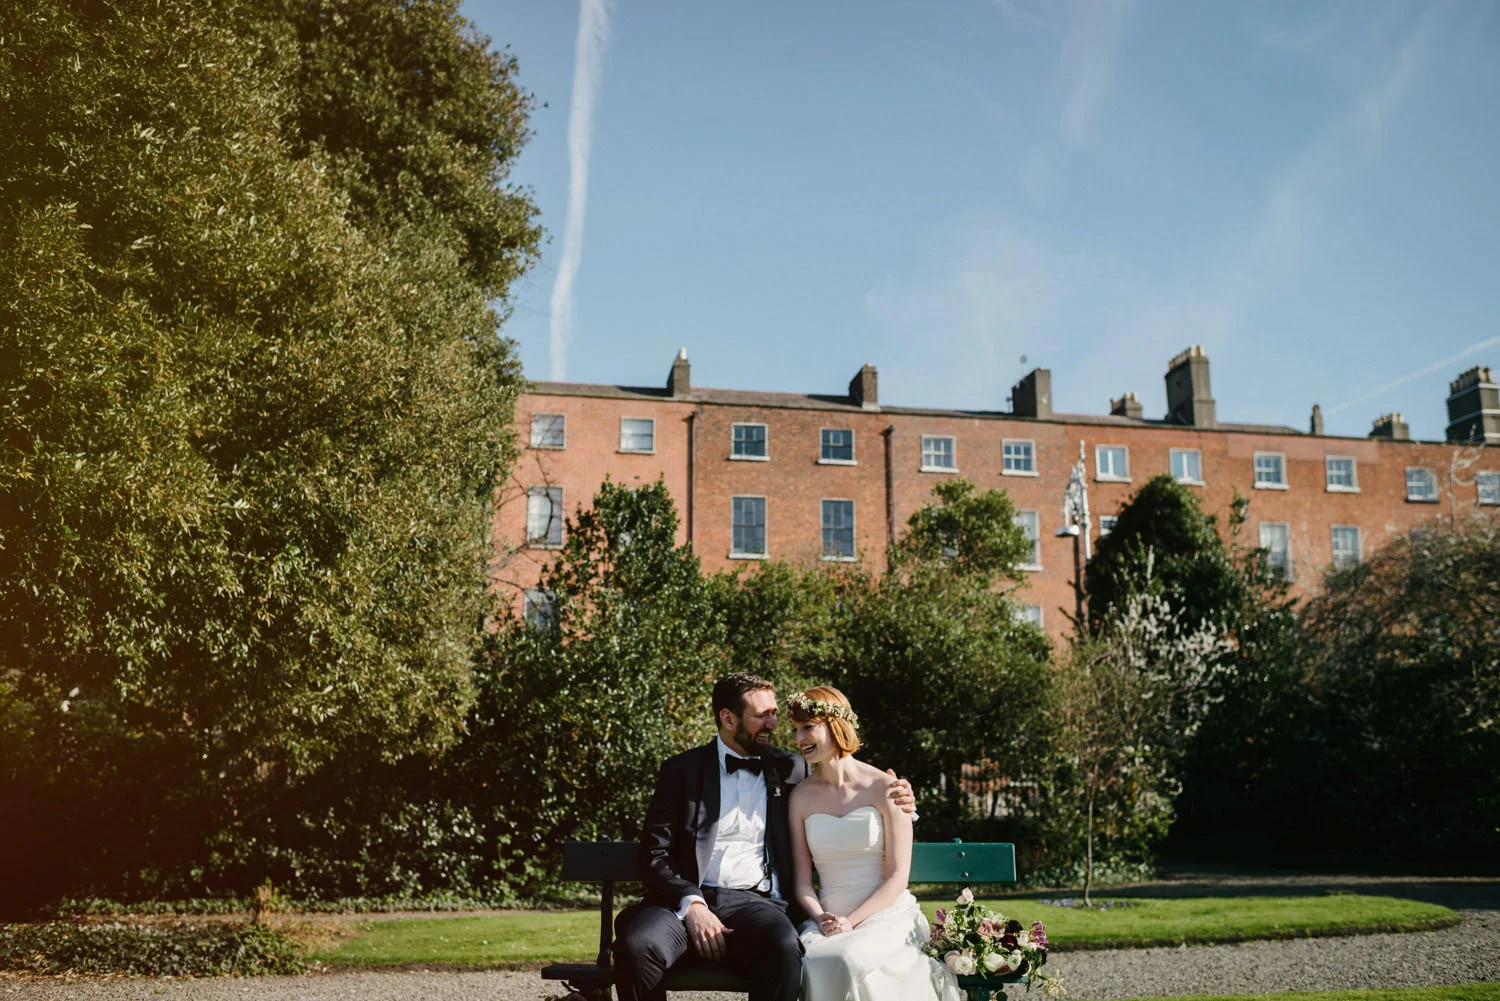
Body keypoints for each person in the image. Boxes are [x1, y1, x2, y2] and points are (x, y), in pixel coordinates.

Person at [613, 673, 917, 1001]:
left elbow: (844, 787)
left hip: (756, 903)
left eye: (773, 713)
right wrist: (693, 904)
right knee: (637, 944)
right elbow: (653, 854)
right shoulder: (681, 771)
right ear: (728, 719)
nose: (773, 724)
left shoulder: (792, 769)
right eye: (761, 716)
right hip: (684, 903)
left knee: (784, 948)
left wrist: (901, 794)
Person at [789, 686, 962, 1001]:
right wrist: (820, 919)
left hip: (884, 915)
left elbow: (897, 876)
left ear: (835, 724)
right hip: (828, 918)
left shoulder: (886, 787)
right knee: (817, 961)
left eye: (808, 727)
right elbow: (802, 882)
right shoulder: (800, 797)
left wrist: (850, 922)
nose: (800, 739)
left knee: (845, 959)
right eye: (796, 730)